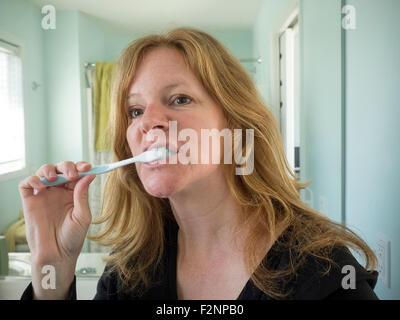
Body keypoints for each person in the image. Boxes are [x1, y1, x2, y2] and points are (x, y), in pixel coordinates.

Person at [18, 27, 379, 300]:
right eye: (135, 110)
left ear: (234, 126)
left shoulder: (326, 275)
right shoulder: (127, 274)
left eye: (178, 99)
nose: (148, 122)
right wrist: (53, 272)